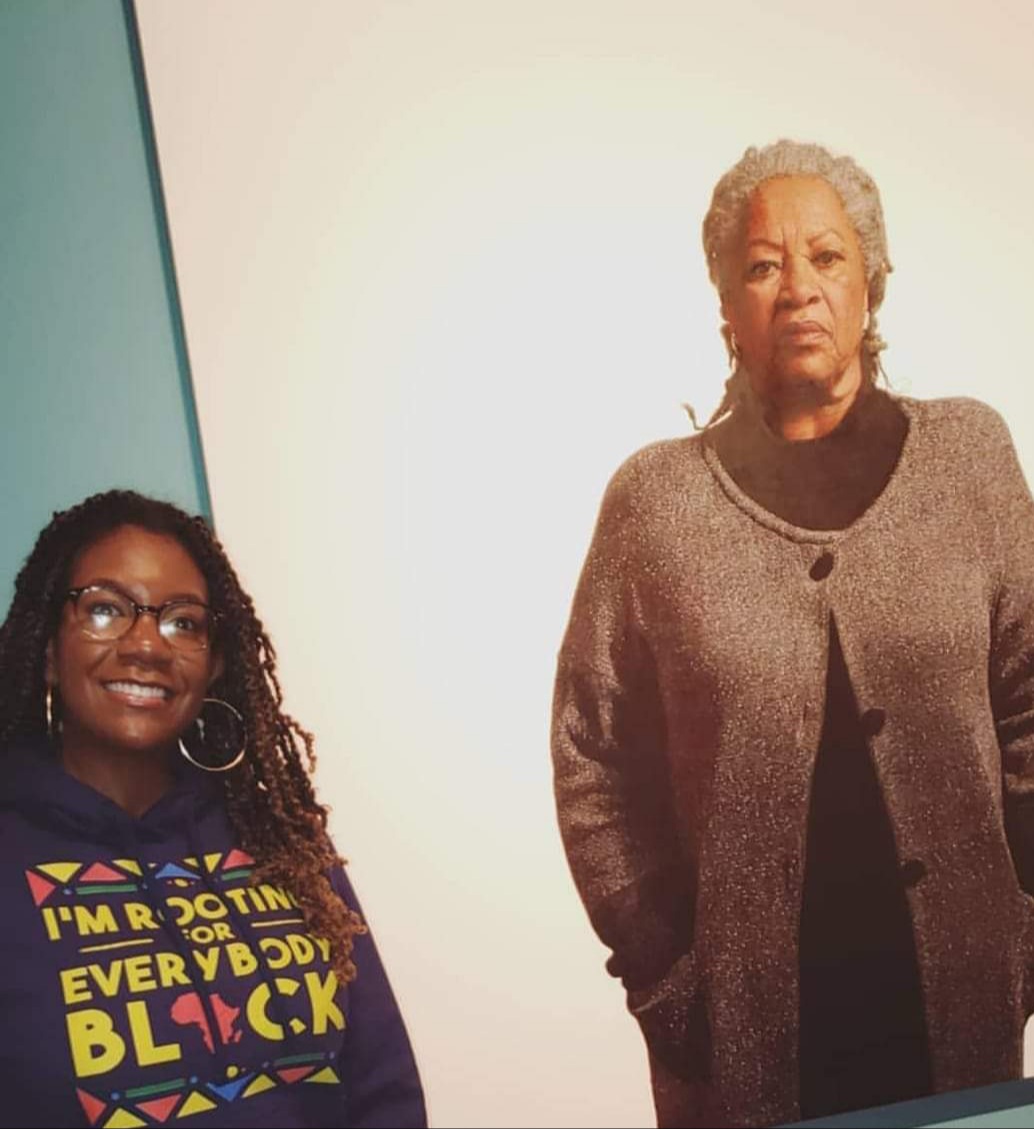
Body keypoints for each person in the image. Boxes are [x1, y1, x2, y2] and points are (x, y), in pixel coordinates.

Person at [551, 139, 1034, 1128]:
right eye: (761, 266)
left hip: (958, 1005)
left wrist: (1024, 924)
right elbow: (592, 752)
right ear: (725, 308)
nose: (796, 289)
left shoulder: (969, 459)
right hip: (742, 1041)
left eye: (826, 257)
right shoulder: (656, 500)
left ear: (871, 286)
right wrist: (665, 974)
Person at [0, 489, 426, 1128]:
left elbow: (382, 1087)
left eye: (183, 622)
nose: (147, 644)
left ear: (215, 663)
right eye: (107, 610)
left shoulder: (283, 844)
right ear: (49, 648)